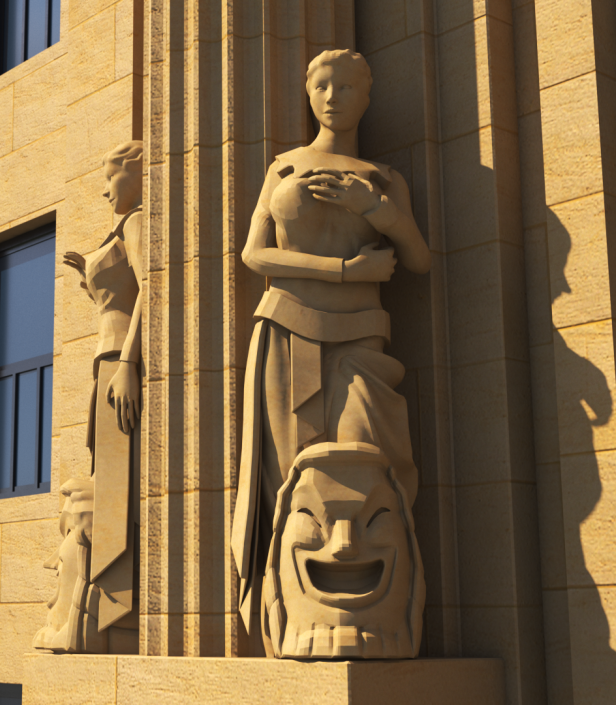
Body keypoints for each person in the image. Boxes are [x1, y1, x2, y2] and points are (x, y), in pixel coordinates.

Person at [229, 50, 431, 655]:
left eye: (346, 85)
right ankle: (295, 623)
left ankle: (382, 618)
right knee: (299, 487)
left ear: (368, 96)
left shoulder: (385, 180)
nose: (333, 94)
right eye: (321, 84)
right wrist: (345, 270)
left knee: (371, 474)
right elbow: (254, 257)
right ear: (307, 94)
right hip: (287, 333)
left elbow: (418, 259)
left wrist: (374, 210)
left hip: (361, 342)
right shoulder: (285, 167)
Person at [59, 140, 146, 653]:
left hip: (119, 363)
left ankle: (115, 610)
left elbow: (151, 288)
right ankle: (104, 605)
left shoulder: (136, 223)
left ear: (135, 176)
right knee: (106, 474)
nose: (103, 187)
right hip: (106, 361)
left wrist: (129, 365)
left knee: (115, 481)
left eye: (109, 176)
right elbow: (119, 298)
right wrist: (91, 281)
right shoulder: (120, 228)